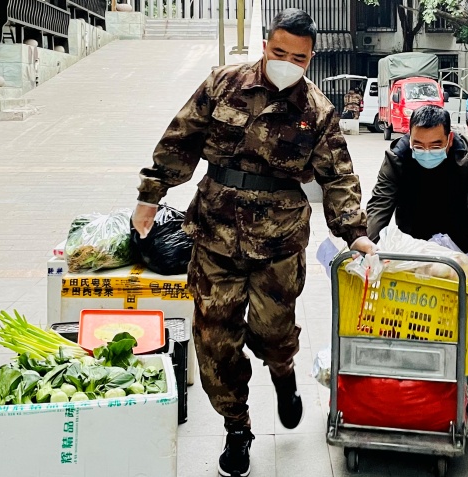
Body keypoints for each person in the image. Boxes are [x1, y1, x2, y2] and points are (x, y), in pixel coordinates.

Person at [132, 8, 377, 477]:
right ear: (266, 44)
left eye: (299, 57)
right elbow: (181, 139)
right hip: (215, 237)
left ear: (310, 57)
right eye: (280, 51)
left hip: (279, 245)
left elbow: (339, 176)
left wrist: (355, 233)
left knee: (273, 336)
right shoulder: (222, 84)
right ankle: (237, 427)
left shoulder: (317, 111)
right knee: (215, 343)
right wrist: (150, 194)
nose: (288, 61)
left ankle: (283, 375)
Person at [366, 105, 468, 270]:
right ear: (410, 137)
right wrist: (367, 247)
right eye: (419, 145)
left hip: (460, 240)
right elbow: (380, 203)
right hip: (414, 242)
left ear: (449, 139)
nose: (427, 151)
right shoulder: (396, 158)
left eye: (435, 146)